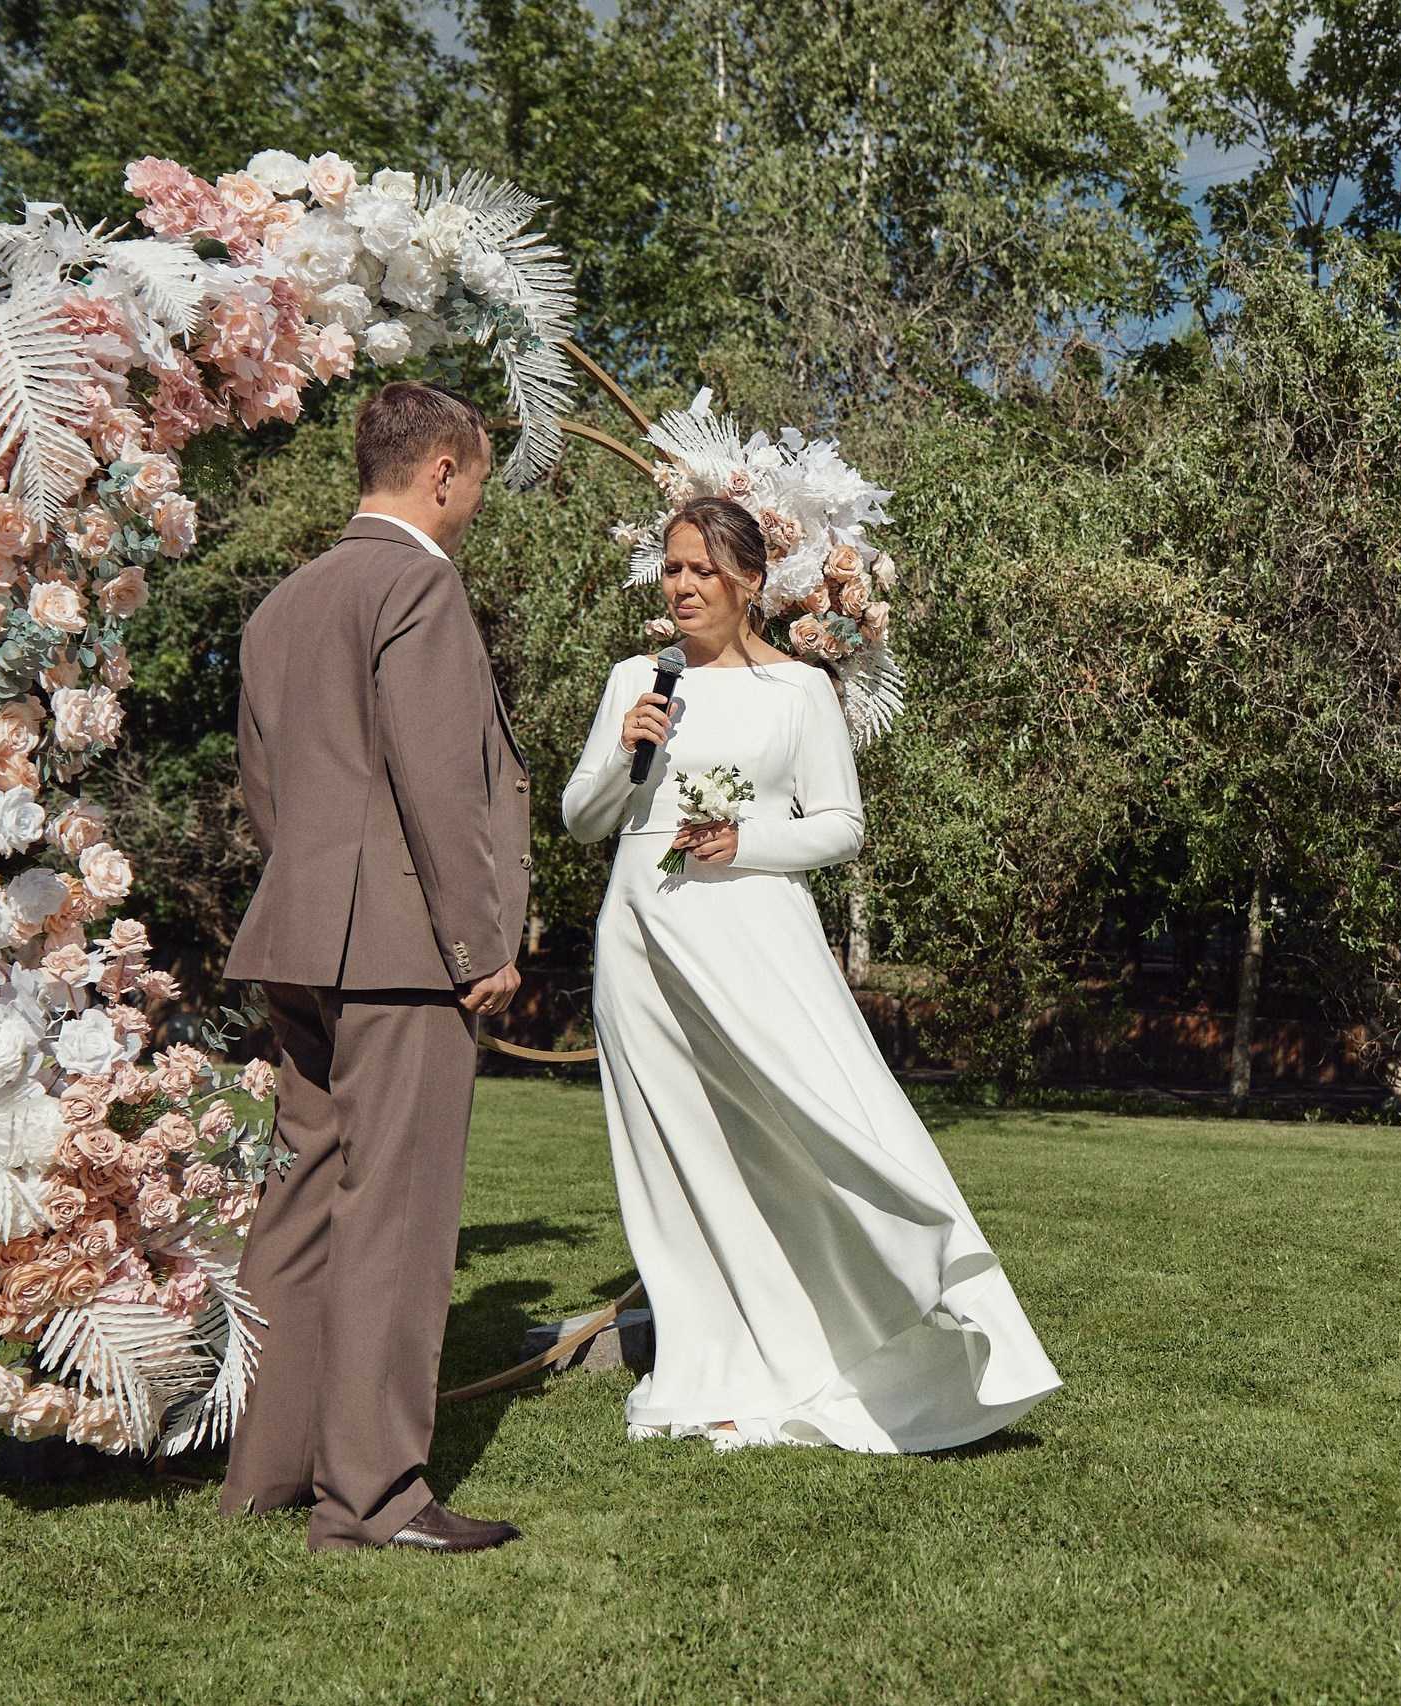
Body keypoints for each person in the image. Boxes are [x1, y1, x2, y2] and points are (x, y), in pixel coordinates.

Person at [561, 496, 1061, 1453]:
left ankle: (895, 1307)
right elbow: (585, 820)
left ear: (749, 582)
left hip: (755, 933)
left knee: (819, 1120)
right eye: (671, 569)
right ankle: (708, 1357)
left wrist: (747, 841)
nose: (682, 587)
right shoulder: (639, 677)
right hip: (639, 938)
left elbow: (842, 825)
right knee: (677, 1154)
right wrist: (629, 750)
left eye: (702, 571)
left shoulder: (801, 691)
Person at [220, 381, 532, 1552]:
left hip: (300, 939)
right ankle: (375, 1498)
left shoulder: (282, 603)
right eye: (480, 482)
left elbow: (266, 790)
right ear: (443, 468)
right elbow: (441, 783)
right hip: (405, 953)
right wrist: (478, 944)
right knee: (394, 1215)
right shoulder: (417, 584)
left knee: (299, 1205)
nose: (476, 506)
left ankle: (269, 1469)